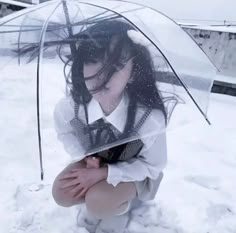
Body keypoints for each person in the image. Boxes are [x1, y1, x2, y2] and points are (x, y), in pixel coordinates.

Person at [52, 19, 168, 233]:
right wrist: (85, 158)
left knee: (99, 202)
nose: (100, 75)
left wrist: (105, 174)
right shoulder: (72, 107)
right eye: (92, 60)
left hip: (134, 171)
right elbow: (65, 133)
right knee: (62, 192)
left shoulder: (148, 120)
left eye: (115, 66)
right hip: (93, 163)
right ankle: (99, 199)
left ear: (133, 73)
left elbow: (153, 166)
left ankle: (118, 207)